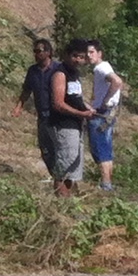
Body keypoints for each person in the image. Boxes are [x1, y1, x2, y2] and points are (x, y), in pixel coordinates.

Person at [42, 42, 94, 197]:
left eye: (82, 57)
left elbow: (74, 98)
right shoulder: (60, 74)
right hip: (63, 125)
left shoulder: (75, 75)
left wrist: (88, 109)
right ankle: (60, 205)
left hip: (75, 126)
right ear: (66, 55)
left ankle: (67, 204)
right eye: (75, 56)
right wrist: (80, 113)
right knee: (63, 169)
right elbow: (58, 103)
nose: (78, 60)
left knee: (72, 169)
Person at [84, 40, 124, 191]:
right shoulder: (102, 68)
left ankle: (106, 184)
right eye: (87, 52)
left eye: (92, 52)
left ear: (99, 53)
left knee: (100, 148)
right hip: (108, 112)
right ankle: (107, 182)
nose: (89, 56)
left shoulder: (101, 68)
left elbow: (117, 81)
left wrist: (105, 100)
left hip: (102, 113)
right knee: (105, 147)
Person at [21, 36, 59, 181]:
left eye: (39, 51)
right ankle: (55, 175)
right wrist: (19, 107)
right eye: (35, 51)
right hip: (42, 115)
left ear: (48, 52)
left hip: (57, 115)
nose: (36, 54)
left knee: (58, 147)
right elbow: (26, 90)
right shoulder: (32, 71)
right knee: (45, 148)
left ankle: (61, 178)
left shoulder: (57, 69)